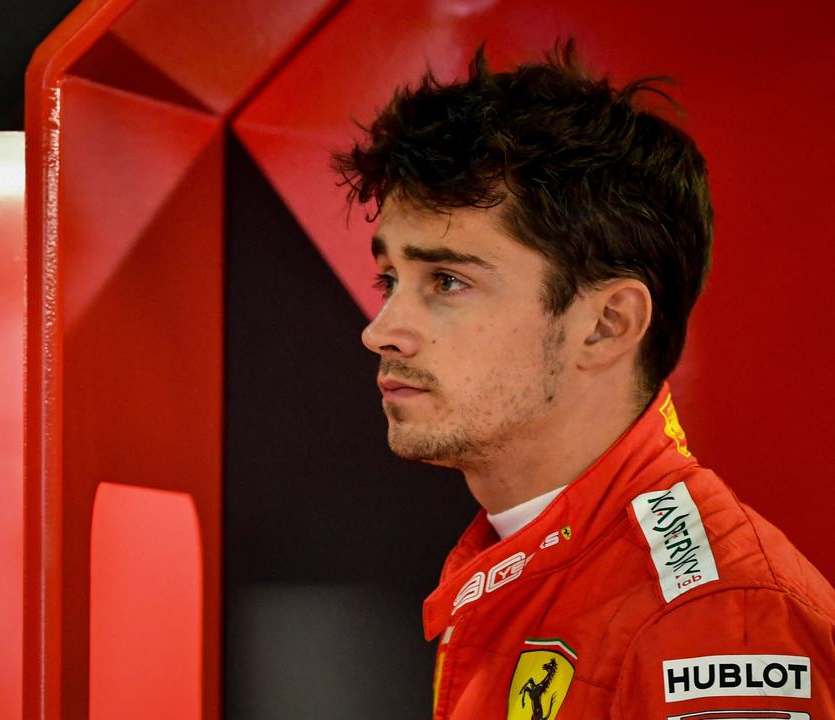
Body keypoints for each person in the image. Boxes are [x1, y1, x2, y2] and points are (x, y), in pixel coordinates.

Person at [334, 40, 835, 718]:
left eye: (447, 281)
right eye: (390, 279)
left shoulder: (717, 621)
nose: (381, 329)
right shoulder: (522, 557)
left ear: (606, 324)